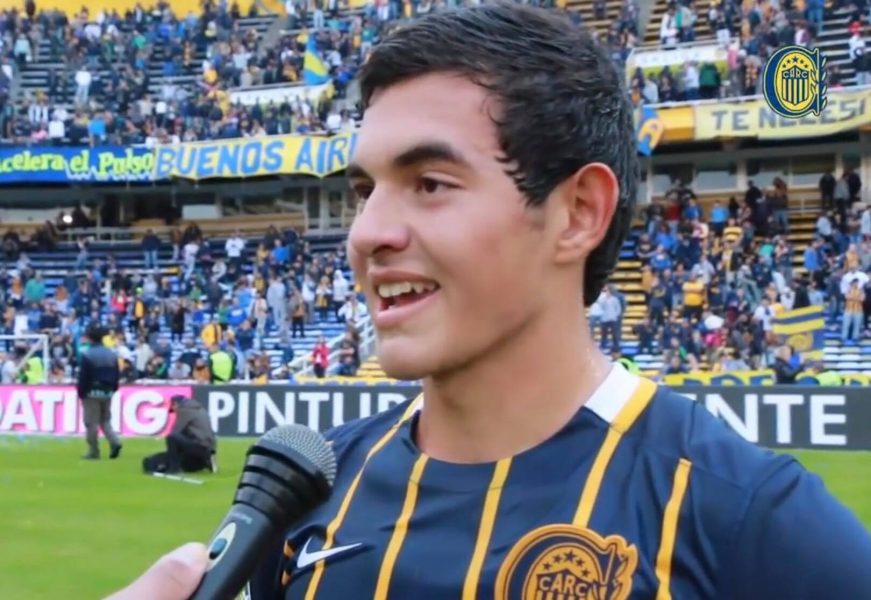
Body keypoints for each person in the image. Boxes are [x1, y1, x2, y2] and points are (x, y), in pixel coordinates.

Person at [114, 4, 871, 599]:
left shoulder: (741, 514)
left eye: (430, 184)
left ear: (577, 213)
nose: (367, 233)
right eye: (364, 191)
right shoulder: (312, 491)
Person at [76, 323, 122, 460]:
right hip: (107, 391)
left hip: (91, 392)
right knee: (105, 420)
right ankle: (115, 441)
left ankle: (94, 451)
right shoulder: (112, 354)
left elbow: (84, 377)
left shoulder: (87, 354)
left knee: (91, 423)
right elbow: (116, 374)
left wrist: (81, 392)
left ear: (90, 338)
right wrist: (113, 389)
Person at [142, 395, 217, 475]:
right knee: (179, 458)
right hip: (206, 448)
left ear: (176, 404)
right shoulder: (199, 409)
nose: (175, 412)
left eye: (173, 408)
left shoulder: (184, 410)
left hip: (200, 447)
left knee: (172, 437)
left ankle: (174, 469)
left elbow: (176, 431)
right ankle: (206, 461)